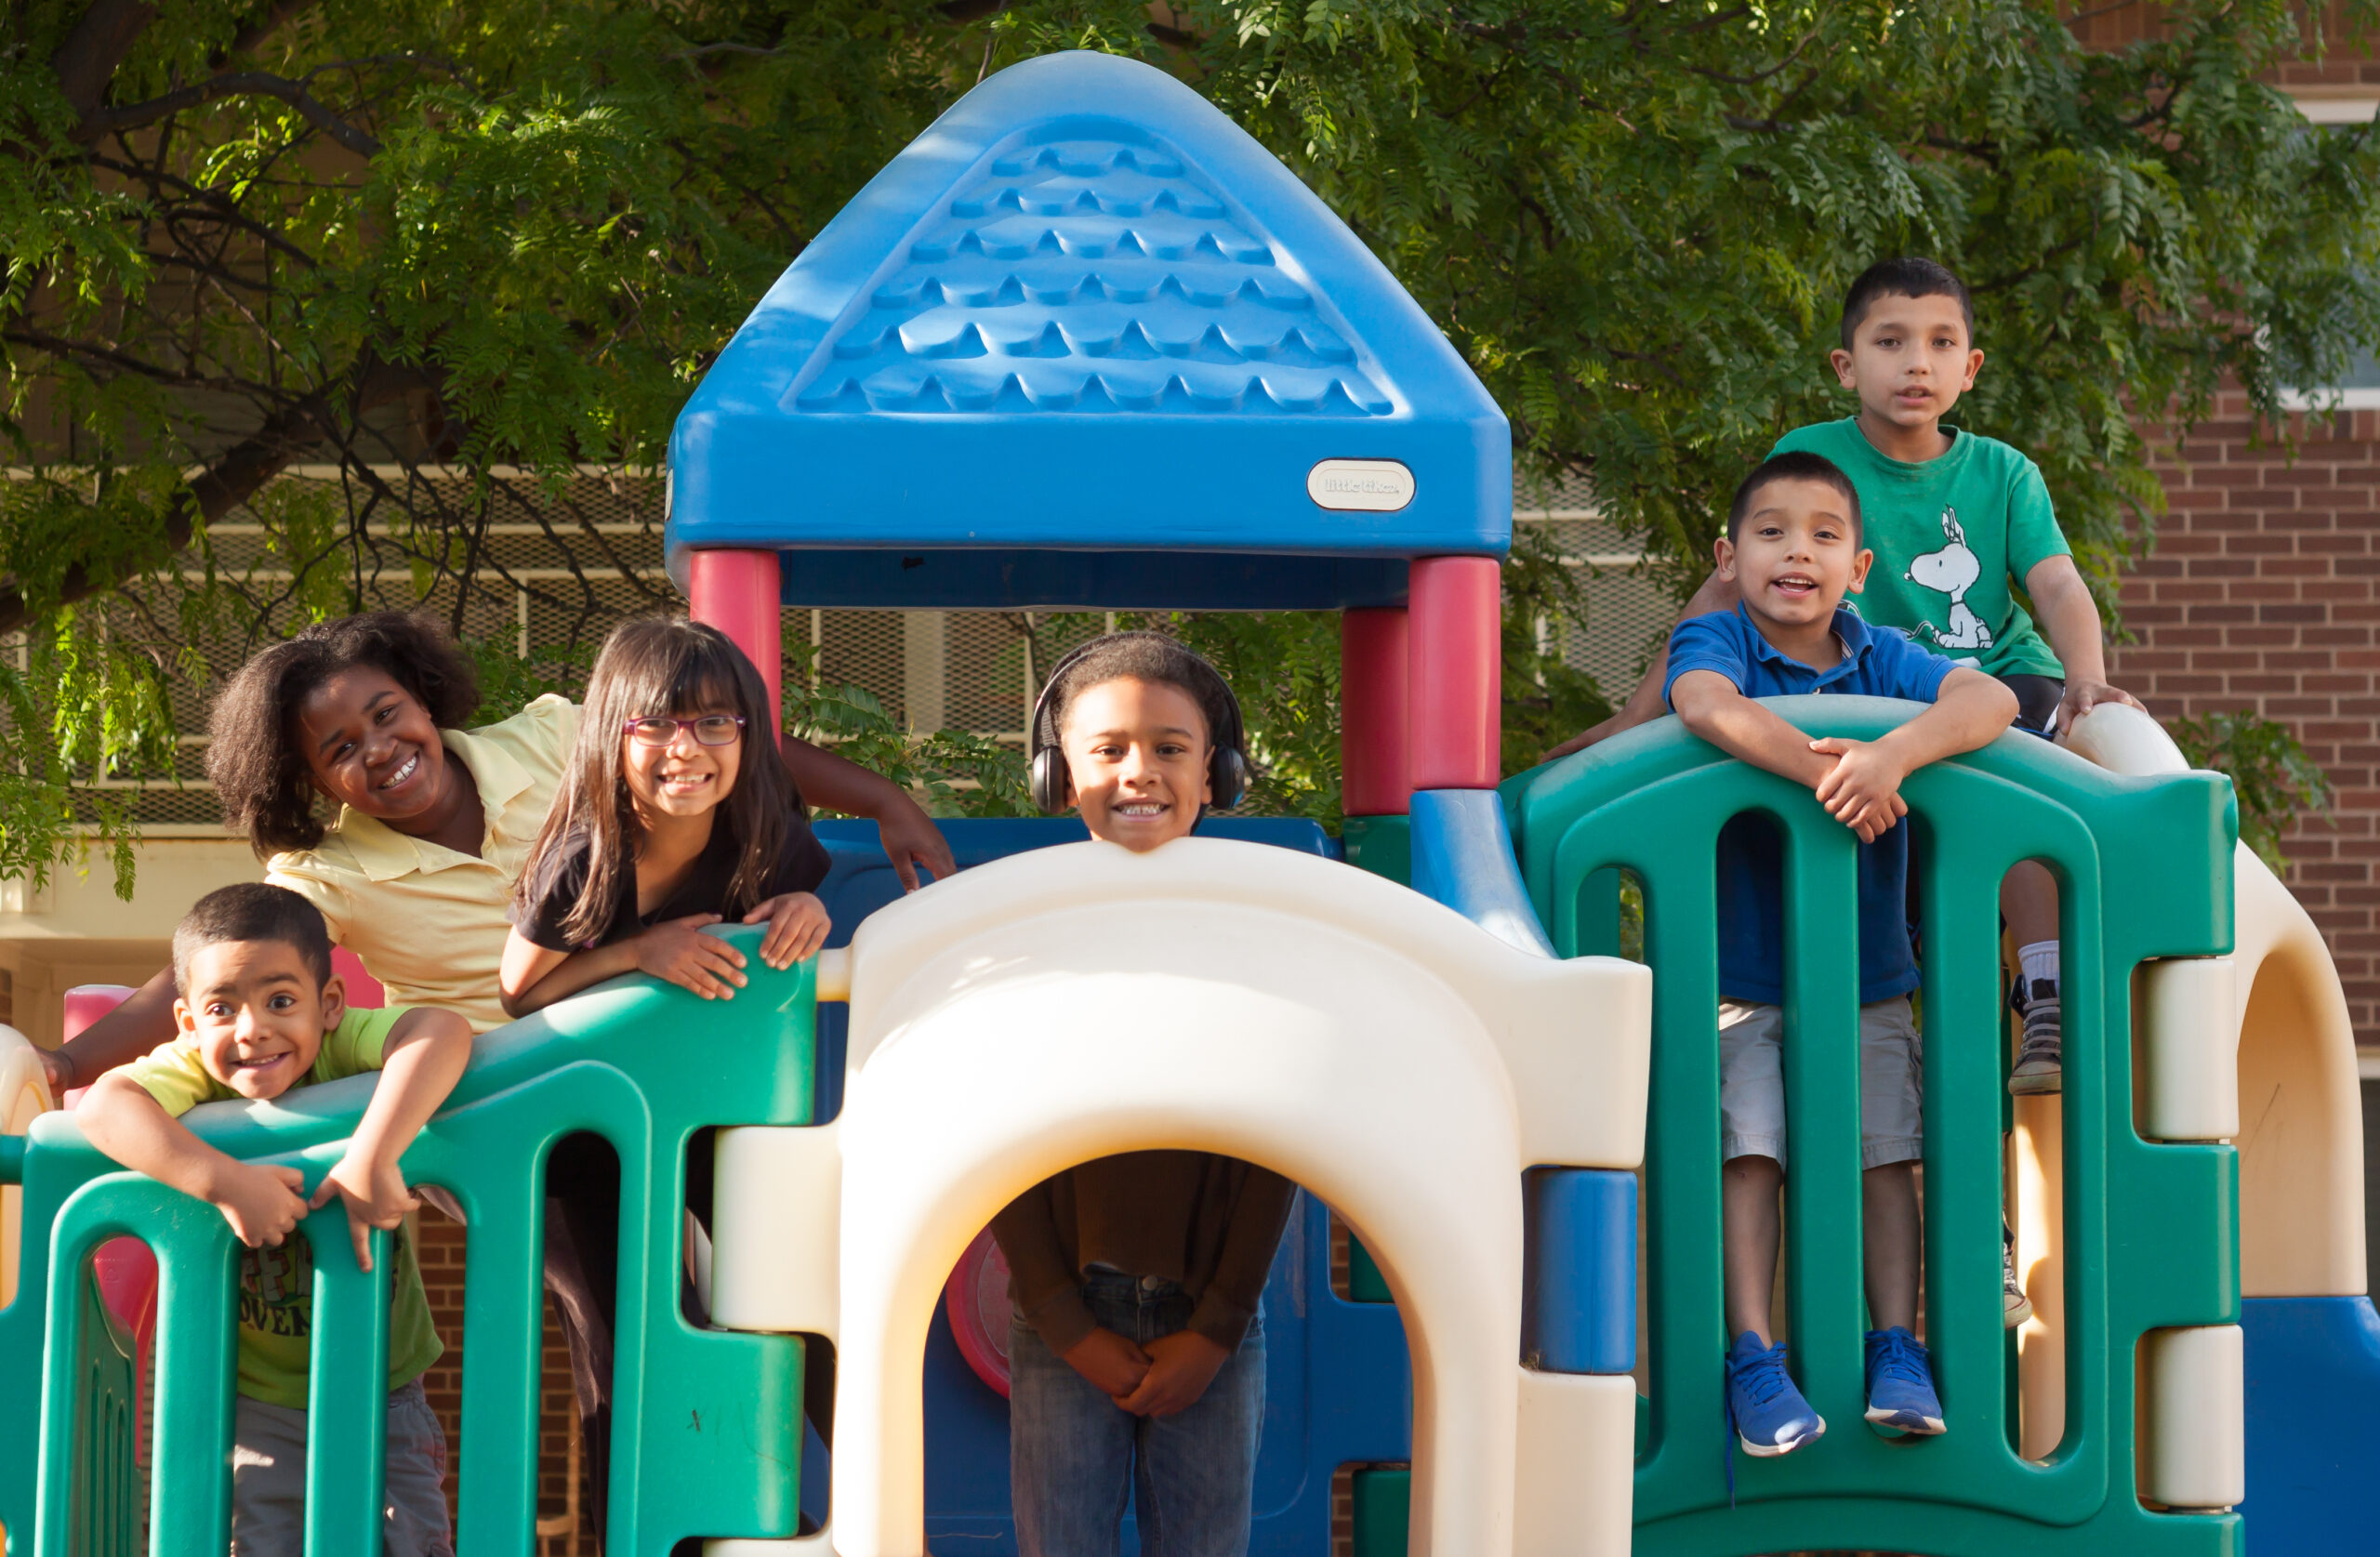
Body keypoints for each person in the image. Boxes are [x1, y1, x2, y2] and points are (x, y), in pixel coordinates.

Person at [42, 609, 936, 1544]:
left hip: (670, 1067)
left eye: (388, 714)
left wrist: (881, 799)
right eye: (340, 749)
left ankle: (867, 1491)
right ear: (308, 779)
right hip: (521, 1117)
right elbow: (206, 971)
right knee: (616, 1312)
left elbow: (709, 733)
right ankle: (650, 1529)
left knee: (786, 1272)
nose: (380, 750)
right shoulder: (329, 872)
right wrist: (67, 1061)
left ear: (423, 696)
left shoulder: (548, 735)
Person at [1550, 257, 2146, 1105]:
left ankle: (2044, 984)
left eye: (1943, 344)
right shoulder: (1809, 459)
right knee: (1911, 908)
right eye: (1891, 341)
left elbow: (2054, 582)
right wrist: (1633, 717)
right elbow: (1725, 591)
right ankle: (1915, 1077)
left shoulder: (2001, 472)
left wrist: (2087, 675)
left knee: (2014, 770)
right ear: (1846, 365)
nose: (1917, 363)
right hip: (1868, 681)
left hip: (1983, 681)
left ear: (1970, 368)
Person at [1662, 454, 2016, 1456]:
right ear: (1730, 559)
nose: (1797, 552)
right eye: (1771, 532)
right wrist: (1833, 772)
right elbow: (1704, 706)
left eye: (1823, 536)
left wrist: (1892, 755)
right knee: (1751, 1154)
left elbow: (1985, 701)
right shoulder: (1717, 635)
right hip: (1741, 969)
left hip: (1867, 970)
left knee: (1886, 1157)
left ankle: (1895, 1345)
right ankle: (1751, 1352)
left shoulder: (1884, 655)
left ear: (1858, 566)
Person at [989, 632, 1294, 1557]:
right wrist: (1063, 1320)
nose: (1139, 772)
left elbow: (1276, 1141)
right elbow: (999, 1136)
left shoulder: (1258, 929)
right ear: (1056, 776)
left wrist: (1214, 1327)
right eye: (1107, 749)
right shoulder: (1023, 931)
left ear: (1217, 774)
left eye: (1170, 747)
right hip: (1064, 1316)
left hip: (1214, 1320)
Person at [78, 883, 471, 1557]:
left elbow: (442, 1030)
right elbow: (100, 1107)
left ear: (331, 1006)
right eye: (221, 1008)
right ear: (187, 1023)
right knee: (265, 1542)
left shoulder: (344, 1048)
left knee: (410, 1540)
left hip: (386, 1389)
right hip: (259, 1407)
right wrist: (225, 1181)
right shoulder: (195, 1070)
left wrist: (373, 1153)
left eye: (281, 1001)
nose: (251, 1028)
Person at [500, 617, 832, 1016]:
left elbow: (795, 939)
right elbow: (518, 996)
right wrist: (637, 953)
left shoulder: (769, 837)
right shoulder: (579, 864)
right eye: (656, 725)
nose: (685, 748)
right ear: (610, 737)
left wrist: (805, 908)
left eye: (714, 723)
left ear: (749, 736)